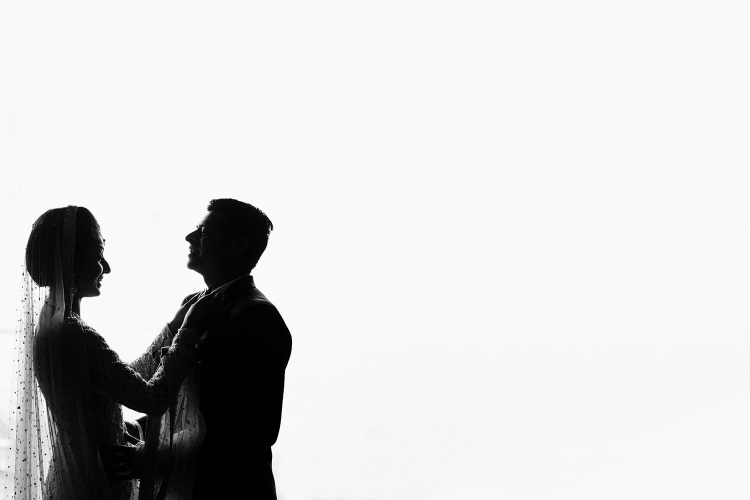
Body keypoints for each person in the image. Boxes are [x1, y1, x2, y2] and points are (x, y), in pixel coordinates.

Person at [7, 206, 227, 499]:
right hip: (99, 479)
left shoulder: (52, 326)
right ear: (71, 260)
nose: (107, 267)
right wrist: (187, 333)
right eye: (99, 255)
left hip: (78, 470)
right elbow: (151, 399)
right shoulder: (72, 333)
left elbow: (121, 381)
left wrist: (171, 328)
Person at [181, 198, 292, 499]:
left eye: (204, 232)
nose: (190, 237)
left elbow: (256, 430)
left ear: (238, 246)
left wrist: (155, 453)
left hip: (232, 489)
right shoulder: (192, 306)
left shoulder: (258, 316)